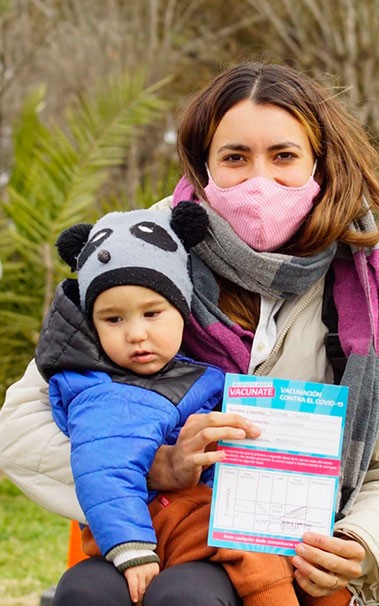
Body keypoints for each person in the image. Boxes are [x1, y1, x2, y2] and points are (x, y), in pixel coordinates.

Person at [0, 62, 379, 606]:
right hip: (169, 534)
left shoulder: (367, 284)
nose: (259, 181)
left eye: (283, 156)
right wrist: (152, 468)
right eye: (235, 157)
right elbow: (18, 427)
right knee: (93, 592)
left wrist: (363, 544)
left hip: (300, 555)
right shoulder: (141, 252)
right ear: (203, 163)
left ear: (318, 162)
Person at [40, 206, 316, 606]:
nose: (136, 334)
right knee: (257, 568)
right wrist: (131, 547)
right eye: (113, 320)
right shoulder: (102, 392)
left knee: (258, 563)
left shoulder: (197, 376)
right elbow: (104, 470)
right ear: (92, 325)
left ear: (183, 310)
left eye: (152, 313)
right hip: (147, 529)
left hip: (191, 521)